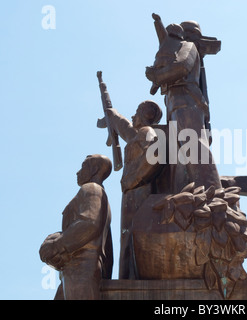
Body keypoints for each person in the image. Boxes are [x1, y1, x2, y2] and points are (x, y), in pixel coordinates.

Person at [146, 13, 221, 193]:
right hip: (174, 102)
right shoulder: (173, 49)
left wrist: (157, 75)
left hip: (186, 100)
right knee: (178, 155)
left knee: (192, 144)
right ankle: (188, 191)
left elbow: (182, 67)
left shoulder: (188, 47)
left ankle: (212, 190)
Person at [39, 154, 113, 300]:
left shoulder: (91, 189)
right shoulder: (101, 195)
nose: (78, 172)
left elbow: (89, 224)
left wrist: (56, 245)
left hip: (80, 267)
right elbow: (108, 250)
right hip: (76, 269)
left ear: (95, 169)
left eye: (83, 166)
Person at [103, 100, 163, 279]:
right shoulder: (139, 134)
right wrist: (112, 114)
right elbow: (124, 127)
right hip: (132, 192)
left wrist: (133, 179)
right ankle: (128, 276)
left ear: (146, 115)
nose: (133, 116)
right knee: (127, 236)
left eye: (137, 112)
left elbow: (155, 154)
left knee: (131, 235)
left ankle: (131, 278)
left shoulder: (146, 132)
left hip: (138, 191)